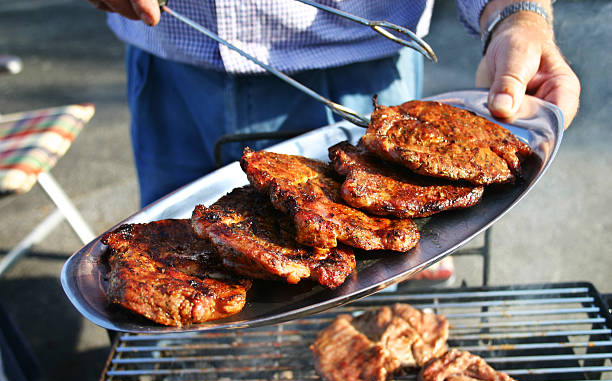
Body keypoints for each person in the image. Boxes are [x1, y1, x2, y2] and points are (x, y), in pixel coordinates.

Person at [86, 0, 580, 282]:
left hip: (359, 72)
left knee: (373, 289)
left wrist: (517, 13)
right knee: (172, 271)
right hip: (172, 68)